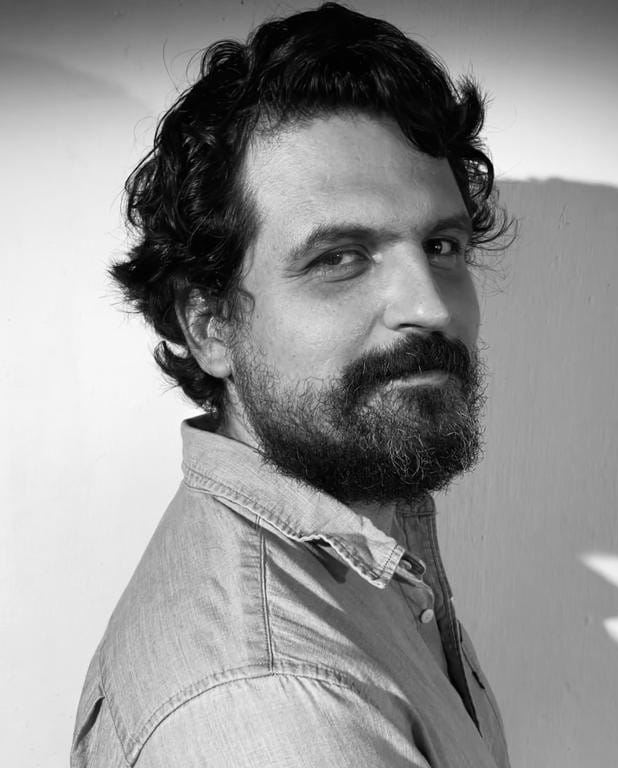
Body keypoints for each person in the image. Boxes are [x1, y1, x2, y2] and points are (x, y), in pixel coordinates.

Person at [71, 3, 511, 766]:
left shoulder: (367, 544)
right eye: (339, 258)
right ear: (211, 326)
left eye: (442, 245)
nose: (431, 307)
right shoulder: (277, 705)